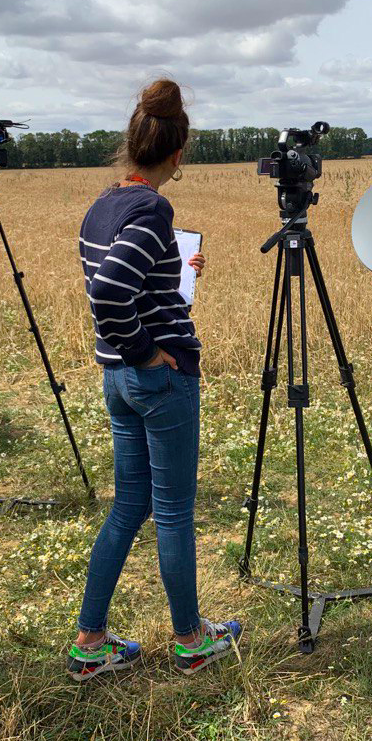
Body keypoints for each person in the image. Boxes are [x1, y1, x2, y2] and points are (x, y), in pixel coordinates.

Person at [70, 79, 241, 680]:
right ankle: (191, 640)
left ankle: (90, 641)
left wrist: (174, 273)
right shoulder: (151, 207)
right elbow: (113, 291)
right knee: (171, 513)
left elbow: (120, 280)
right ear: (177, 152)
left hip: (114, 378)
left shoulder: (106, 203)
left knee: (128, 508)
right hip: (155, 377)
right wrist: (147, 351)